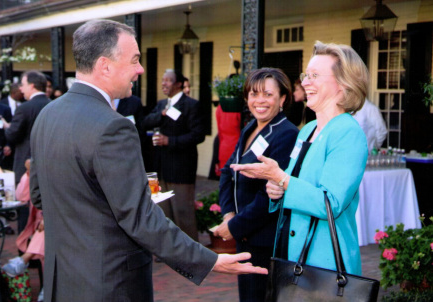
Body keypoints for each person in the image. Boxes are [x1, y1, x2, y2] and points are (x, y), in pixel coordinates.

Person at [29, 19, 267, 302]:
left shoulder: (47, 115)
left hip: (63, 281)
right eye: (135, 61)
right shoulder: (113, 126)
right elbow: (138, 217)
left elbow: (40, 195)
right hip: (110, 284)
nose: (140, 70)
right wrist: (209, 260)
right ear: (105, 65)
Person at [231, 41, 369, 276]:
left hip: (324, 265)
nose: (305, 82)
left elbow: (331, 203)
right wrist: (275, 189)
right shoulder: (308, 129)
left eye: (314, 75)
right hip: (292, 258)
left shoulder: (348, 132)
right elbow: (292, 185)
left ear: (343, 84)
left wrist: (282, 180)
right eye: (306, 75)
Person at [214, 68, 299, 301]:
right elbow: (227, 171)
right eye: (253, 94)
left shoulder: (287, 134)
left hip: (264, 240)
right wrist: (228, 214)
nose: (259, 100)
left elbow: (269, 194)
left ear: (282, 99)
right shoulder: (250, 128)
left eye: (267, 95)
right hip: (245, 236)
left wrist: (235, 227)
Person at [142, 69, 204, 241]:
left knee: (183, 212)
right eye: (163, 80)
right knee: (162, 212)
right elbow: (145, 122)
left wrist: (170, 141)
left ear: (178, 84)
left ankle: (191, 254)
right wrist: (160, 115)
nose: (164, 83)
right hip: (160, 167)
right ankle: (167, 251)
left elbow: (198, 135)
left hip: (181, 168)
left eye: (168, 80)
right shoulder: (161, 105)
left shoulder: (191, 105)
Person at [3, 70, 50, 234]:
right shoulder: (53, 104)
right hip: (49, 166)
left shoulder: (24, 108)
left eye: (22, 85)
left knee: (25, 212)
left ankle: (25, 252)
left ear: (31, 85)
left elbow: (12, 135)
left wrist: (7, 128)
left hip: (26, 167)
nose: (21, 89)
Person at [2, 159, 44, 301]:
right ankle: (48, 288)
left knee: (48, 233)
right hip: (38, 227)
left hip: (56, 224)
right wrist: (28, 174)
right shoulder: (36, 172)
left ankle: (24, 259)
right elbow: (21, 196)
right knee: (46, 237)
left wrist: (48, 219)